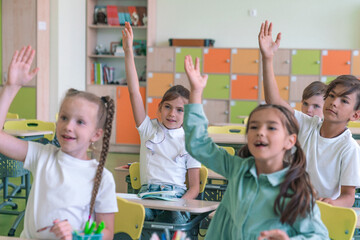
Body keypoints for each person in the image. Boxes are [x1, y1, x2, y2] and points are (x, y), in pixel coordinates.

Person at [183, 55, 328, 239]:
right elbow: (198, 145)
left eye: (271, 127)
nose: (260, 132)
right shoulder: (238, 169)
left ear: (290, 141)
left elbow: (319, 236)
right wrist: (195, 93)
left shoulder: (295, 190)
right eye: (254, 127)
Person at [0, 46, 117, 240]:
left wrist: (77, 234)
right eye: (64, 117)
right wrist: (11, 87)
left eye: (80, 122)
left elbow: (107, 233)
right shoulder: (41, 155)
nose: (68, 126)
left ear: (96, 134)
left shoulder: (103, 177)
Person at [259, 20, 360, 207]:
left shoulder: (349, 148)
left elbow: (348, 196)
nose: (334, 103)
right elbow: (273, 101)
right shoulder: (307, 124)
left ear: (355, 115)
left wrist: (331, 204)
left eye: (344, 101)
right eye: (331, 96)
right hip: (290, 204)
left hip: (319, 211)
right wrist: (268, 58)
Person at [122, 21, 201, 225]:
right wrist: (128, 51)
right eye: (167, 107)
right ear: (159, 108)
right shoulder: (149, 129)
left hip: (175, 199)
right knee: (126, 218)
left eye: (180, 109)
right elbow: (133, 92)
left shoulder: (190, 141)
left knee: (173, 220)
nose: (172, 113)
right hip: (147, 199)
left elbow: (194, 188)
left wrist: (177, 204)